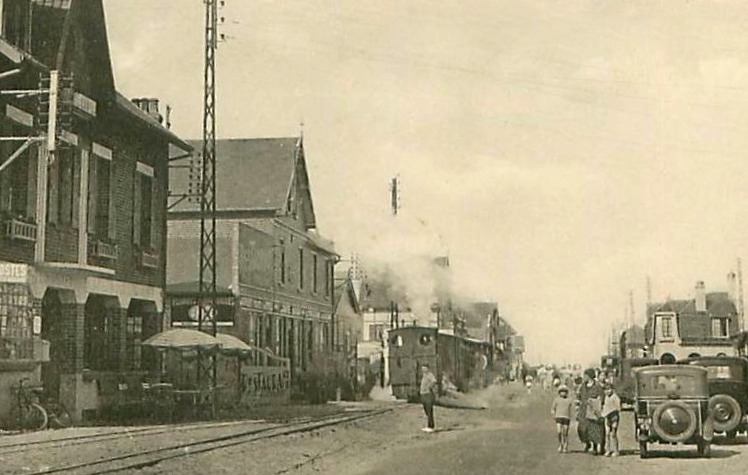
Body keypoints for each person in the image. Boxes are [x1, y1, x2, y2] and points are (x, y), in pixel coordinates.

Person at [577, 368, 605, 455]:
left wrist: (596, 401)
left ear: (589, 376)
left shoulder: (597, 387)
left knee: (594, 429)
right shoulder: (582, 386)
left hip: (593, 411)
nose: (583, 377)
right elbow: (579, 397)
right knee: (582, 429)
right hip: (583, 410)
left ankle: (595, 447)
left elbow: (602, 398)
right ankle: (587, 443)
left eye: (585, 375)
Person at [551, 385, 574, 453]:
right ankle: (560, 444)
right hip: (558, 417)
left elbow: (572, 408)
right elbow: (553, 408)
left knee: (565, 432)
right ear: (559, 392)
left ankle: (565, 445)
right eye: (561, 392)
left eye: (564, 392)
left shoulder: (569, 400)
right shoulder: (556, 399)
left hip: (566, 417)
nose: (563, 393)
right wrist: (553, 414)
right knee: (559, 431)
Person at [602, 383, 621, 457]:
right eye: (605, 390)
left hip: (614, 417)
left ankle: (616, 450)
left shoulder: (615, 397)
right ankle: (608, 450)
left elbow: (618, 408)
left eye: (609, 389)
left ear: (612, 390)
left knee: (613, 434)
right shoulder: (606, 397)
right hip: (607, 417)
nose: (607, 391)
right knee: (607, 434)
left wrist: (612, 410)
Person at [419, 364, 437, 433]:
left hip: (428, 395)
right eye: (422, 368)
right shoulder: (424, 376)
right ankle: (429, 425)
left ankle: (431, 426)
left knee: (429, 410)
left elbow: (434, 381)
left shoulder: (430, 375)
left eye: (424, 368)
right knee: (426, 410)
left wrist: (429, 387)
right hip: (423, 394)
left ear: (427, 368)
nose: (423, 370)